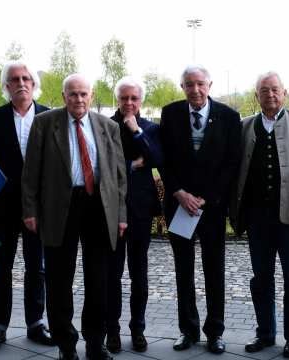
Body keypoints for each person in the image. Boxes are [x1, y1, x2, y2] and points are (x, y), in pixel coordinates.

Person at [21, 74, 127, 360]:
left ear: (91, 95)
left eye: (83, 94)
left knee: (98, 280)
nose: (78, 99)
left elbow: (119, 176)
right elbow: (30, 173)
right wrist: (30, 210)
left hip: (98, 208)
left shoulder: (108, 127)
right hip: (58, 208)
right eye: (72, 94)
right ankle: (66, 345)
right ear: (63, 95)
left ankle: (95, 342)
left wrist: (121, 215)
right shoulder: (45, 124)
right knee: (58, 280)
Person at [229, 71, 289, 358]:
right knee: (261, 279)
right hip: (257, 218)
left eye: (275, 90)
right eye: (264, 90)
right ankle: (265, 333)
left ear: (285, 93)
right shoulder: (244, 127)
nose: (270, 95)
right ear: (256, 95)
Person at [159, 64, 241, 354]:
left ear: (210, 85)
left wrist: (205, 198)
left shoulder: (229, 117)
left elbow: (232, 163)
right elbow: (163, 159)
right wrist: (179, 193)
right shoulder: (170, 114)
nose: (194, 89)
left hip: (211, 208)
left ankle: (215, 332)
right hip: (179, 205)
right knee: (183, 271)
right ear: (182, 87)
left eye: (200, 84)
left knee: (213, 270)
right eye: (188, 84)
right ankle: (188, 330)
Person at [0, 60, 54, 353]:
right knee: (1, 268)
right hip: (3, 207)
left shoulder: (49, 116)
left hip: (39, 209)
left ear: (34, 84)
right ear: (6, 86)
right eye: (14, 79)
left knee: (38, 267)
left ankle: (36, 323)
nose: (21, 83)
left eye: (26, 78)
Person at [105, 76, 163, 353]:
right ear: (117, 99)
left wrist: (137, 131)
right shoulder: (105, 127)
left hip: (140, 210)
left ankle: (137, 329)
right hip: (110, 210)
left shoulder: (151, 127)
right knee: (112, 275)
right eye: (124, 98)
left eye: (134, 98)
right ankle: (112, 331)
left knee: (139, 275)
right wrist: (133, 163)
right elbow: (104, 163)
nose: (128, 103)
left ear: (141, 100)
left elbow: (158, 159)